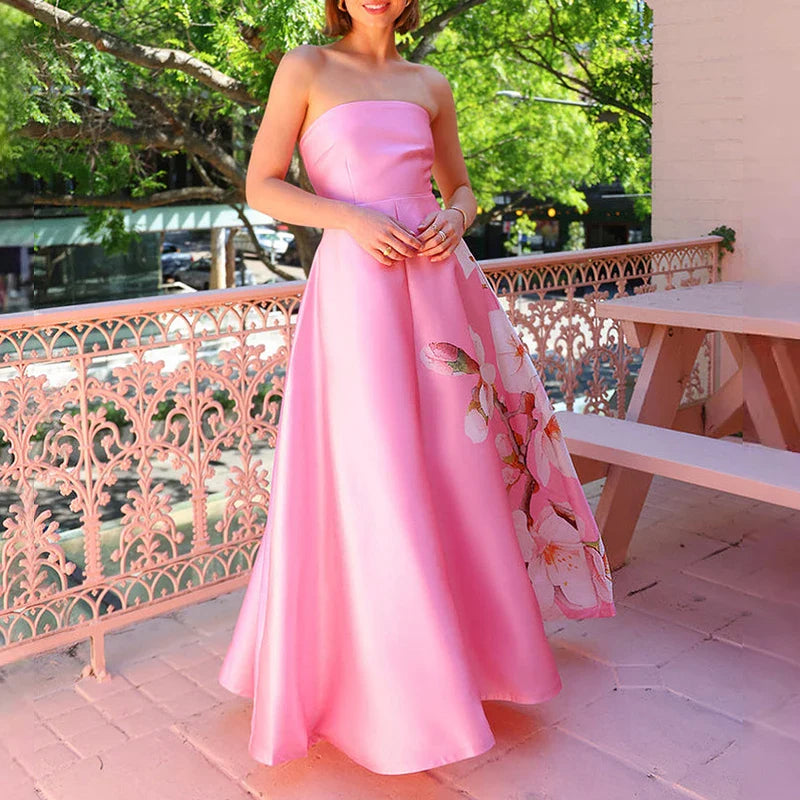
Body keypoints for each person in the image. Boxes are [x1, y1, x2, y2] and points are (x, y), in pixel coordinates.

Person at [219, 0, 616, 775]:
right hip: (357, 295)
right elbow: (262, 185)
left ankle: (468, 663)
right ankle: (387, 693)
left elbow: (461, 188)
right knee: (375, 476)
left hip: (436, 290)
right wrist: (349, 219)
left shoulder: (430, 81)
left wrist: (455, 219)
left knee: (452, 470)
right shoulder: (305, 67)